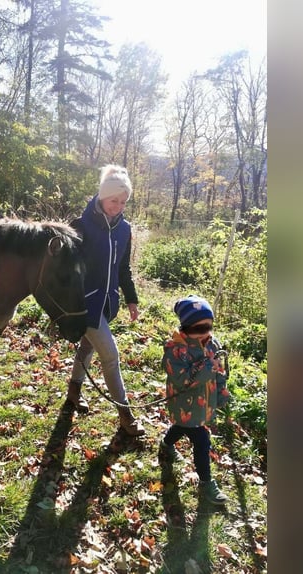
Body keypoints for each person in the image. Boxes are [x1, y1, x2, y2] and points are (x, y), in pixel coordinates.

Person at [65, 164, 145, 436]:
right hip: (85, 305)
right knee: (110, 357)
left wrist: (131, 299)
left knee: (87, 348)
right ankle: (126, 416)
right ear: (102, 196)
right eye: (114, 200)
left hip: (108, 303)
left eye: (123, 202)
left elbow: (123, 268)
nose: (119, 206)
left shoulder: (124, 230)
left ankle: (73, 392)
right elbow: (66, 270)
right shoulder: (80, 226)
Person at [159, 295, 231, 505]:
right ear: (185, 327)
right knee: (201, 439)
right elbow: (183, 380)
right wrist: (209, 366)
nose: (205, 333)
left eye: (208, 327)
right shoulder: (176, 349)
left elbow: (219, 372)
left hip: (203, 404)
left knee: (182, 427)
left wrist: (221, 392)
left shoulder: (212, 343)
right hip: (185, 403)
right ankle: (206, 483)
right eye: (199, 329)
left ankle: (166, 444)